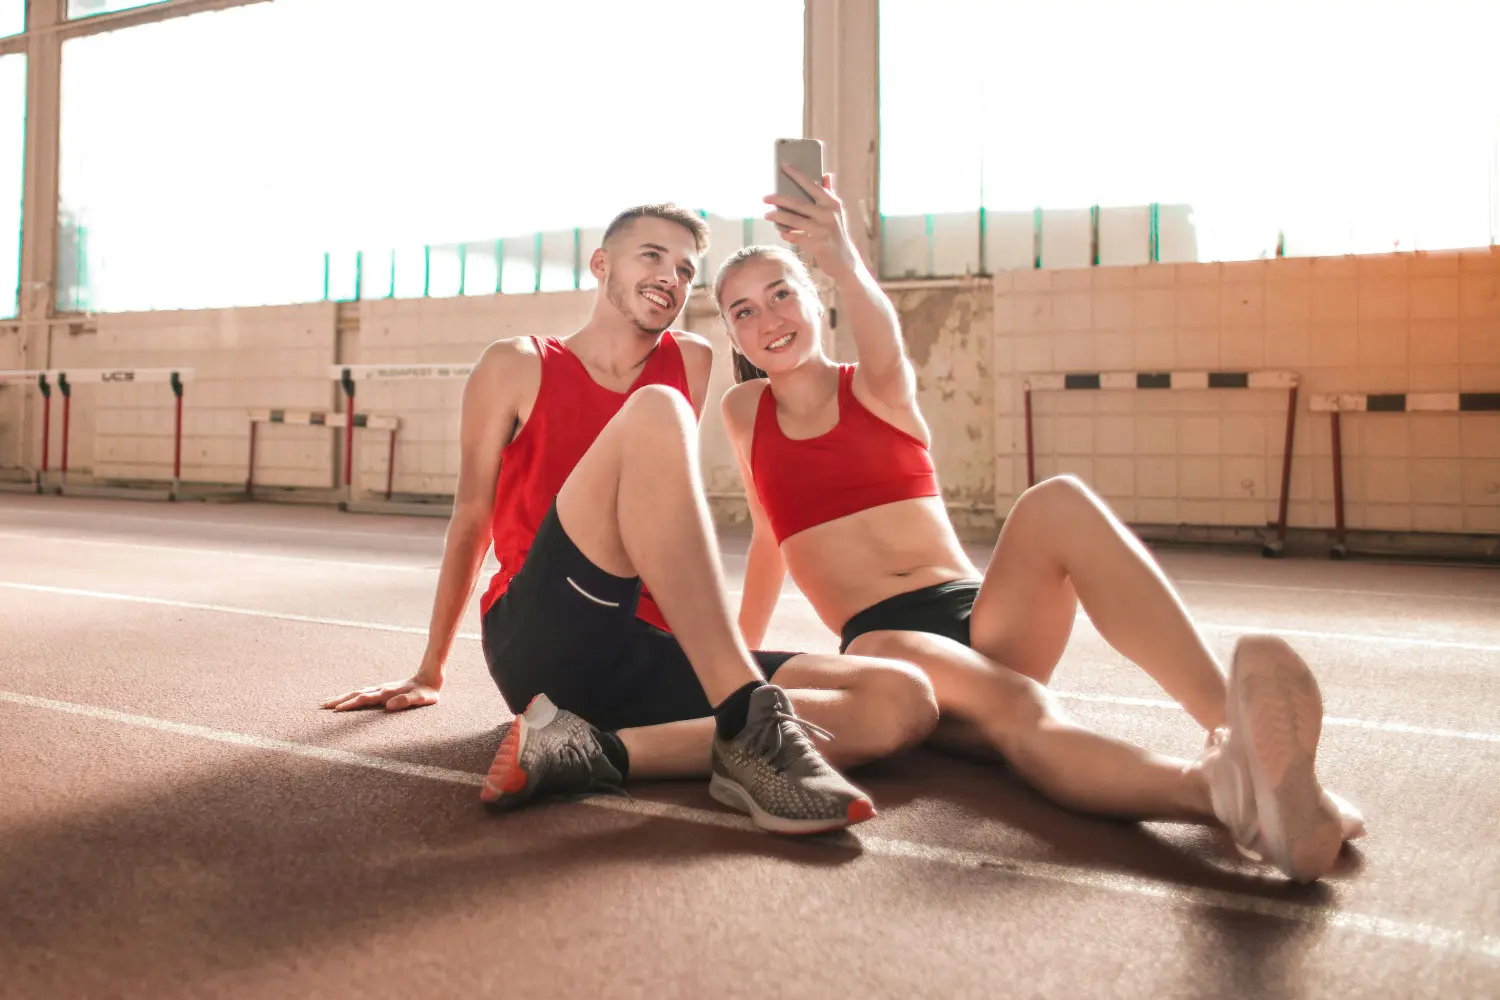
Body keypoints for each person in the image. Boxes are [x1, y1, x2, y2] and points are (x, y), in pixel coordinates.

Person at [711, 166, 1365, 881]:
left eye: (782, 294)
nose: (768, 318)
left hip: (981, 611)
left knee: (1057, 499)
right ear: (734, 337)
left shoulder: (876, 386)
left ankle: (1240, 740)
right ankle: (1224, 795)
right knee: (1024, 706)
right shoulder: (743, 416)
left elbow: (883, 332)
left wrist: (840, 252)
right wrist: (735, 664)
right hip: (888, 640)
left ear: (817, 301)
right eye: (743, 311)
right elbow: (773, 532)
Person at [321, 203, 938, 836]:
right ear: (600, 263)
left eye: (684, 269)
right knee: (654, 410)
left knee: (903, 699)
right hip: (543, 636)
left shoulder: (692, 360)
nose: (670, 276)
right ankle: (746, 713)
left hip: (643, 652)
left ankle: (594, 753)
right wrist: (431, 669)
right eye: (652, 256)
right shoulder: (516, 364)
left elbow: (660, 509)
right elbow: (472, 517)